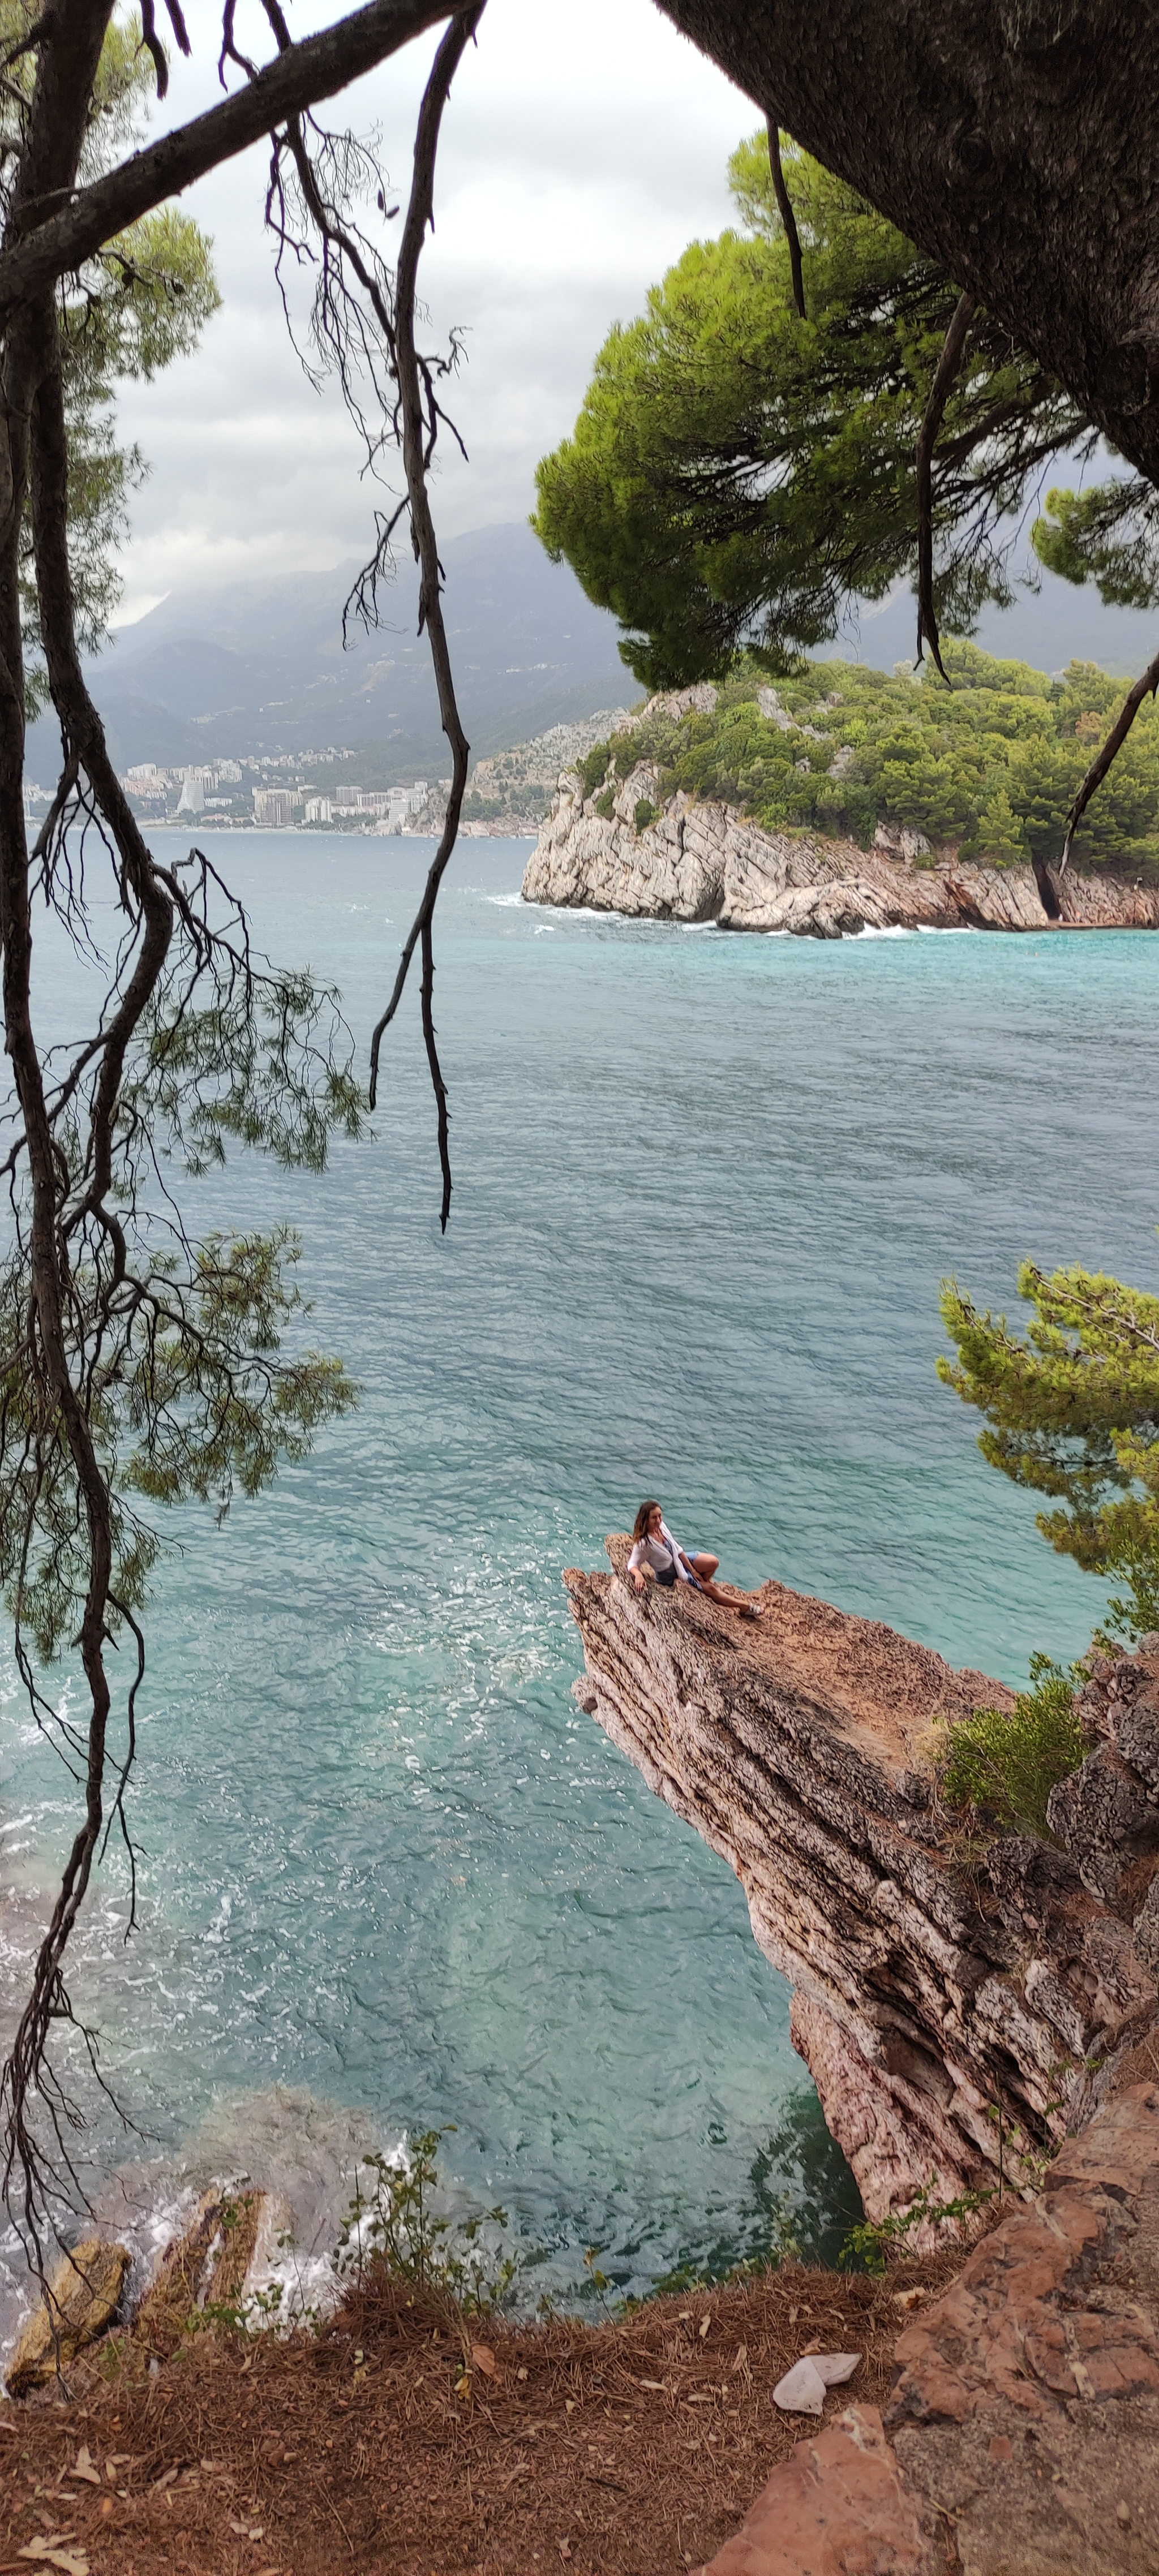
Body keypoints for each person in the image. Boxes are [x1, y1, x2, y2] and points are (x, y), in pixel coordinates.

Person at [625, 1500, 762, 1618]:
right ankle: (744, 1607)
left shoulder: (662, 1527)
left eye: (660, 1516)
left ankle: (703, 1584)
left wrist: (693, 1570)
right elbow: (632, 1564)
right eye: (654, 1518)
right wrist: (638, 1575)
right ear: (645, 1520)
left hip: (678, 1561)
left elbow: (677, 1549)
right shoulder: (643, 1543)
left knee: (713, 1562)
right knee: (711, 1589)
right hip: (669, 1574)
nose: (659, 1520)